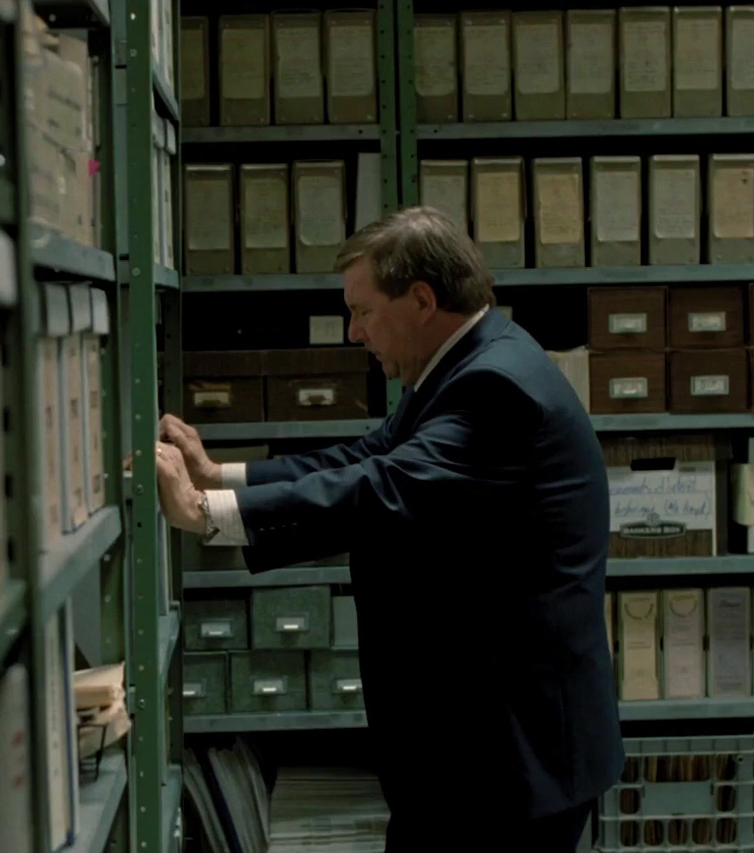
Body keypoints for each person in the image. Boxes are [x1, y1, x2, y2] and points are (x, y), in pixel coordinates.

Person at [153, 206, 622, 851]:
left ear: (423, 300)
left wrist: (206, 516)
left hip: (509, 756)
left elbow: (386, 490)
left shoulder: (495, 386)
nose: (354, 332)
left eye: (364, 311)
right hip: (474, 747)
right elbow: (365, 458)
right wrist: (220, 475)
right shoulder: (465, 365)